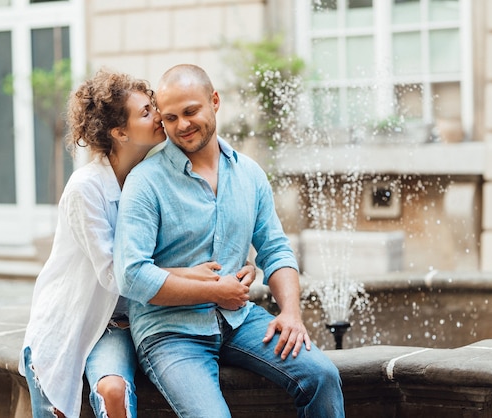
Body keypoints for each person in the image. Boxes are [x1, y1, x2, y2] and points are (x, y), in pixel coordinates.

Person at [19, 68, 255, 418]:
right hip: (79, 319)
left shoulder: (149, 176)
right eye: (147, 112)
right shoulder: (86, 189)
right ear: (120, 132)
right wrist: (193, 276)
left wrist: (237, 267)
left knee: (118, 389)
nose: (160, 117)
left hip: (130, 321)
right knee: (108, 390)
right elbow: (117, 276)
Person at [114, 64, 345, 418]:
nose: (183, 125)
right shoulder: (145, 181)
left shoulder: (249, 174)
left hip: (238, 321)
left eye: (191, 111)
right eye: (171, 117)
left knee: (322, 375)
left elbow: (276, 250)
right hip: (169, 332)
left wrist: (291, 314)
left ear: (215, 101)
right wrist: (213, 291)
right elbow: (130, 274)